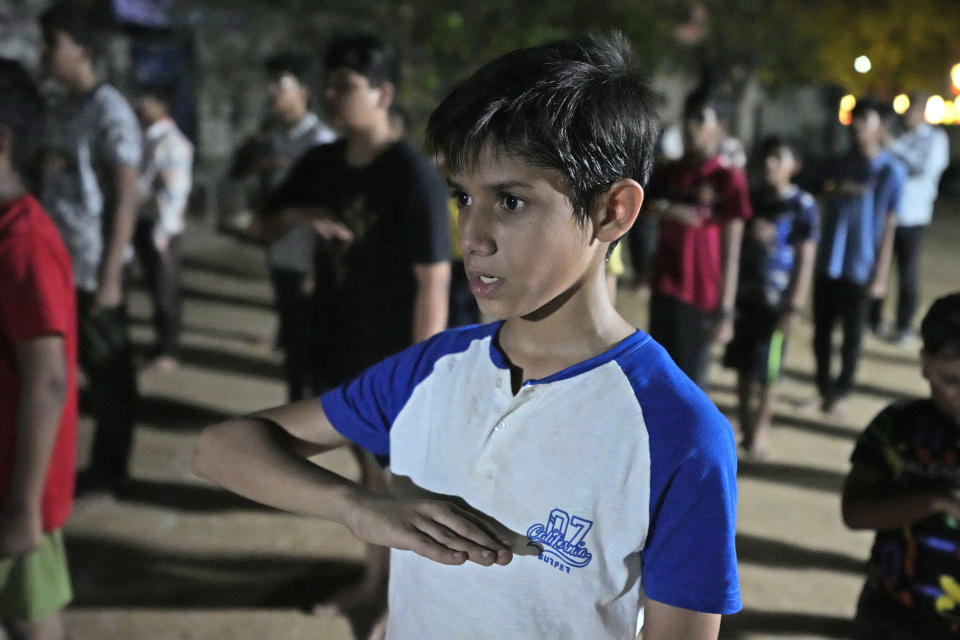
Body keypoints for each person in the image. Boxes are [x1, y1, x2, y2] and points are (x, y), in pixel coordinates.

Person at [195, 33, 740, 639]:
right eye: (462, 197)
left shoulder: (678, 434)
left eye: (510, 201)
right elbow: (222, 447)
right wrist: (361, 508)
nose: (472, 235)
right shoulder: (430, 372)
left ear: (613, 210)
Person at [253, 35, 451, 615]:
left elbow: (433, 280)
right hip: (335, 337)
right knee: (367, 471)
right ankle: (377, 586)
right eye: (329, 83)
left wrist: (420, 374)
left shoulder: (411, 175)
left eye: (346, 85)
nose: (331, 95)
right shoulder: (321, 164)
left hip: (392, 352)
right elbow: (264, 224)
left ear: (384, 93)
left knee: (402, 480)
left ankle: (399, 598)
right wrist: (302, 213)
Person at [38, 2, 143, 495]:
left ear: (82, 49)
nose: (44, 52)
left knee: (110, 375)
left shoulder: (109, 109)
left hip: (92, 267)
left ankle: (110, 468)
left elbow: (125, 195)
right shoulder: (62, 107)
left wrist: (111, 277)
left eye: (52, 42)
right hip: (59, 265)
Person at [0, 58, 78, 640]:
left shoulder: (24, 241)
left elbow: (48, 379)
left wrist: (24, 506)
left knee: (30, 611)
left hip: (13, 486)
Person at [842, 292, 960, 640]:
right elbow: (855, 513)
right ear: (924, 363)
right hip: (891, 617)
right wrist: (936, 501)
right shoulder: (896, 427)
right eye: (950, 380)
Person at [230, 52, 336, 401]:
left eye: (281, 84)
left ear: (304, 91)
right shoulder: (272, 139)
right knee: (294, 349)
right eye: (270, 84)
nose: (271, 91)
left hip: (311, 265)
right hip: (281, 256)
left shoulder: (320, 142)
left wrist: (313, 268)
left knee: (312, 355)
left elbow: (327, 213)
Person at [644, 85, 752, 388]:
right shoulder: (668, 173)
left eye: (701, 119)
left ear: (721, 126)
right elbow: (641, 207)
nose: (692, 127)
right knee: (659, 381)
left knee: (690, 386)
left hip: (701, 295)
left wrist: (726, 310)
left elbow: (732, 246)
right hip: (665, 286)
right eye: (688, 117)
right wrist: (668, 208)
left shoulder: (728, 179)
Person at [723, 135, 818, 458]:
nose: (769, 164)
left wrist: (794, 305)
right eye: (767, 156)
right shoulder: (751, 199)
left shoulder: (802, 205)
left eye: (779, 157)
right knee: (743, 366)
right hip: (744, 298)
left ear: (796, 166)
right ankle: (747, 426)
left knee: (769, 370)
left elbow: (806, 257)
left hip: (776, 303)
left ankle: (761, 431)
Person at [809, 97, 905, 416]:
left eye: (868, 119)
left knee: (852, 337)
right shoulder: (837, 165)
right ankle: (823, 389)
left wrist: (880, 276)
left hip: (860, 266)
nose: (859, 125)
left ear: (882, 128)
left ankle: (843, 392)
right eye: (857, 118)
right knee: (821, 333)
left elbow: (890, 226)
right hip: (829, 263)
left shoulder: (890, 171)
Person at [869, 92, 950, 345]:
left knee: (907, 273)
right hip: (885, 215)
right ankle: (871, 319)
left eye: (912, 109)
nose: (907, 114)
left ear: (924, 111)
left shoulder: (935, 139)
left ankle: (903, 325)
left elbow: (919, 166)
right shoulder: (901, 136)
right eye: (906, 109)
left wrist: (890, 143)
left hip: (913, 216)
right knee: (877, 268)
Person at [133, 83, 194, 372]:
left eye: (146, 100)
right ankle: (161, 345)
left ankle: (170, 349)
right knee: (155, 288)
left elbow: (174, 195)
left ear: (162, 105)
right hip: (148, 222)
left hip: (162, 227)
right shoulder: (148, 137)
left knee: (165, 289)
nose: (140, 106)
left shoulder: (172, 143)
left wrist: (163, 234)